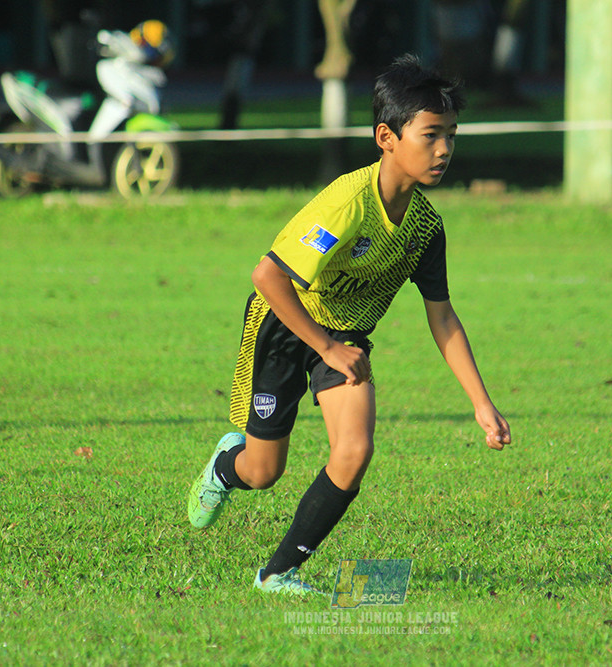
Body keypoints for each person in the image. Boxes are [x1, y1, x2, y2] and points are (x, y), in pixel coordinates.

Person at [186, 53, 512, 595]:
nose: (444, 149)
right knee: (263, 472)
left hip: (344, 338)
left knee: (355, 452)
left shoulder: (425, 228)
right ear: (387, 138)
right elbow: (268, 276)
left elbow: (442, 315)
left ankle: (277, 573)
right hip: (285, 325)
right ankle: (225, 467)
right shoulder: (347, 204)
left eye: (451, 136)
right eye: (431, 135)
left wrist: (481, 403)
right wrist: (325, 347)